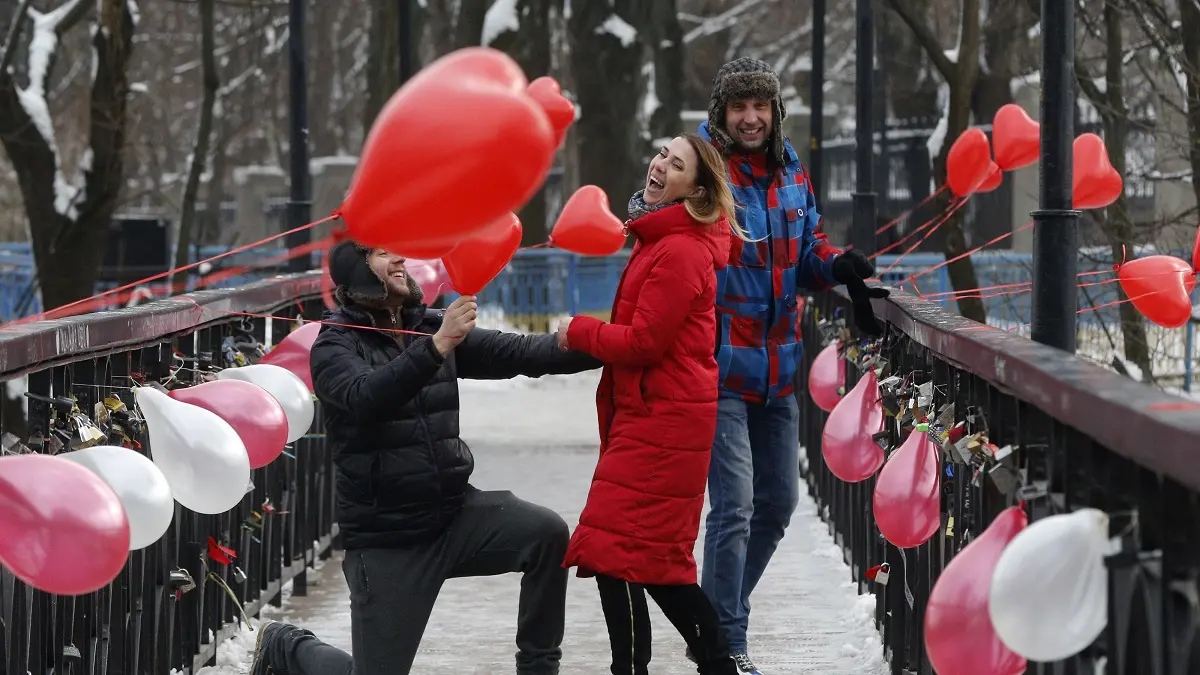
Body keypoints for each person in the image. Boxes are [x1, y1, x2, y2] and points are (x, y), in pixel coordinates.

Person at [250, 239, 600, 675]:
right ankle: (289, 646)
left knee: (546, 534)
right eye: (381, 253)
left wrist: (608, 343)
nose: (399, 258)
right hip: (389, 539)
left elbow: (520, 352)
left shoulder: (427, 325)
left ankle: (539, 667)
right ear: (357, 271)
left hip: (454, 517)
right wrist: (436, 347)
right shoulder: (334, 345)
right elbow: (366, 398)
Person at [694, 57, 887, 675]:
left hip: (778, 370)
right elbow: (649, 215)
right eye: (738, 106)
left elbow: (807, 251)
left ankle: (713, 617)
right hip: (719, 367)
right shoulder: (705, 169)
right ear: (722, 113)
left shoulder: (791, 169)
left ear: (775, 112)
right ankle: (725, 644)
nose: (750, 118)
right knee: (735, 507)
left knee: (778, 502)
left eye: (760, 106)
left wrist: (840, 268)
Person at [556, 133, 751, 675]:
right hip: (651, 416)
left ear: (697, 189)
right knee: (622, 554)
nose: (661, 164)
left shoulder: (683, 249)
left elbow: (644, 342)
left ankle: (709, 660)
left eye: (678, 163)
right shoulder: (659, 240)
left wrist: (578, 332)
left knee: (641, 558)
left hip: (666, 423)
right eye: (663, 153)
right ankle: (684, 664)